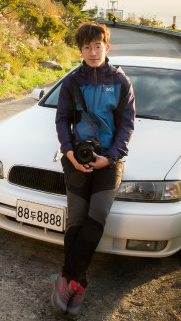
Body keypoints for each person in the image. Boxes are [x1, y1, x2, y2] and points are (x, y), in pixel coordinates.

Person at [50, 22, 135, 319]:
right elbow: (62, 120)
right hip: (76, 157)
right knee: (75, 219)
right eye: (86, 47)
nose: (92, 51)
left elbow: (127, 124)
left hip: (109, 160)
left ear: (106, 47)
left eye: (97, 46)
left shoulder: (121, 81)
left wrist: (111, 157)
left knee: (96, 217)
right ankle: (75, 284)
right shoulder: (73, 82)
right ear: (80, 50)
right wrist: (69, 152)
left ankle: (69, 280)